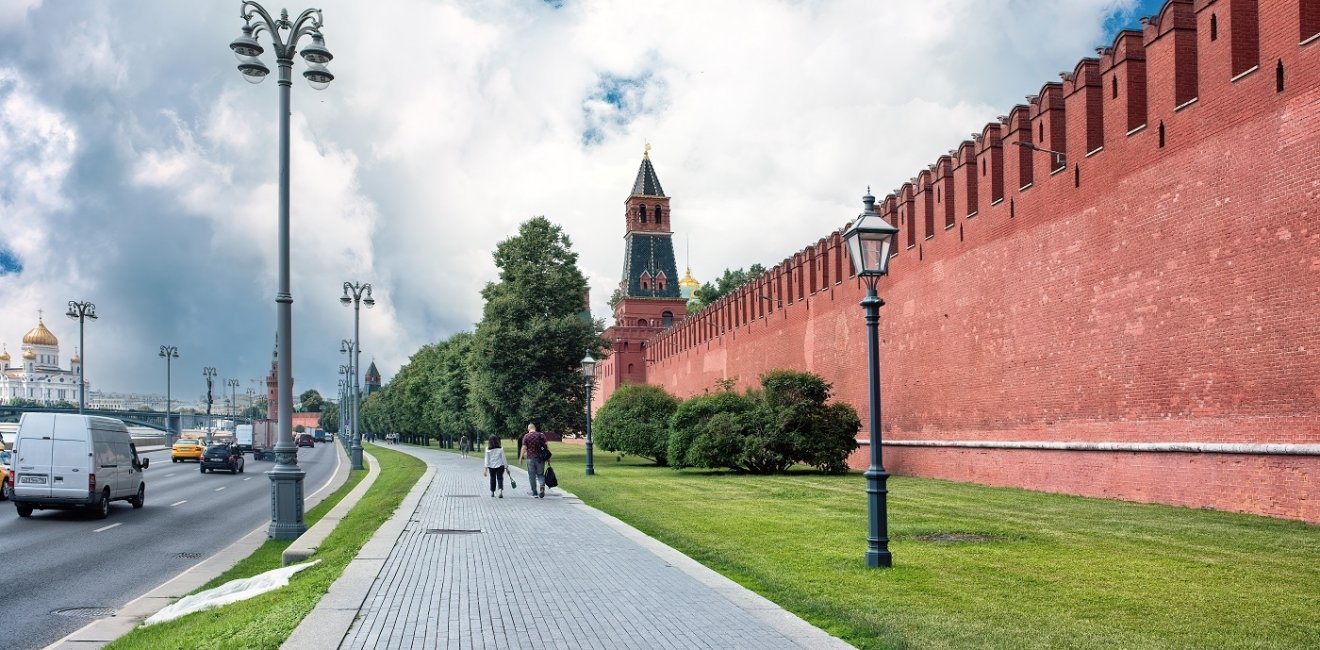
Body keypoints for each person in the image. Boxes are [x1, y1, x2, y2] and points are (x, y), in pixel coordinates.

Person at [517, 423, 548, 498]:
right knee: (540, 474)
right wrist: (548, 458)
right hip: (540, 458)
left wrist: (521, 458)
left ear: (528, 429)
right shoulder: (541, 435)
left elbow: (524, 447)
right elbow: (546, 446)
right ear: (535, 428)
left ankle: (534, 492)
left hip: (530, 458)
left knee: (532, 476)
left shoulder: (526, 436)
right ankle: (542, 487)